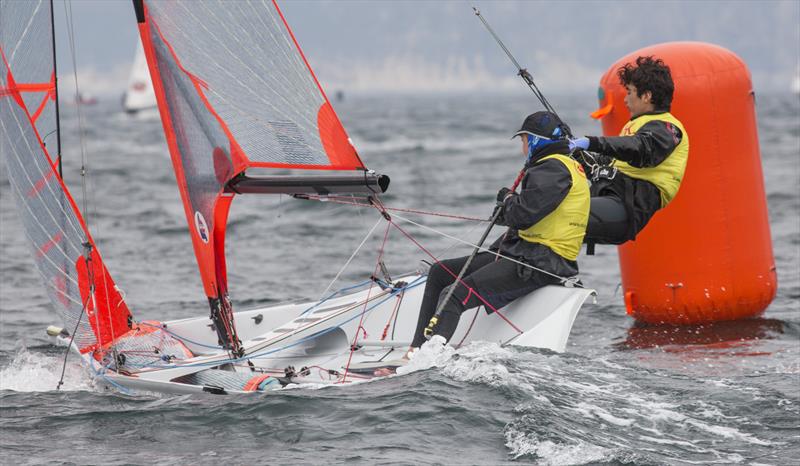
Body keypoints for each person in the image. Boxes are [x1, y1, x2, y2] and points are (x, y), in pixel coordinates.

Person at [406, 111, 590, 355]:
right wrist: (508, 206)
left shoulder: (552, 169)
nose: (523, 148)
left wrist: (508, 199)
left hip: (540, 263)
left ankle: (427, 362)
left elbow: (524, 215)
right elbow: (525, 215)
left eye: (524, 140)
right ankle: (415, 350)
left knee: (454, 295)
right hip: (525, 252)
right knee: (441, 272)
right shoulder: (559, 166)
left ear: (536, 141)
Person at [568, 55, 689, 248]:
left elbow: (641, 150)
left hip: (630, 206)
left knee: (556, 214)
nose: (625, 100)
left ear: (647, 96)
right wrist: (571, 151)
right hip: (610, 196)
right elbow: (602, 165)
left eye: (630, 92)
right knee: (535, 214)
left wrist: (591, 142)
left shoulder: (669, 128)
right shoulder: (636, 126)